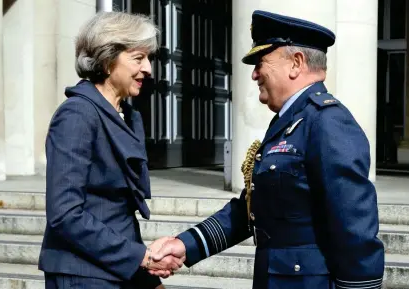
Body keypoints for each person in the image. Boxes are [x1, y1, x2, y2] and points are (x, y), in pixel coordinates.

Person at [149, 10, 385, 289]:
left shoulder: (328, 123)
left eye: (261, 62)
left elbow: (355, 232)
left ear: (296, 63)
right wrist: (186, 245)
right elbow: (252, 209)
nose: (254, 74)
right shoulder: (289, 121)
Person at [38, 12, 183, 289]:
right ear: (107, 60)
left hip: (115, 265)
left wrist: (144, 276)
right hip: (82, 273)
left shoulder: (127, 114)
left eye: (148, 59)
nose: (149, 69)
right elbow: (65, 214)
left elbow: (116, 211)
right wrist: (142, 257)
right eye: (138, 58)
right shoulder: (77, 114)